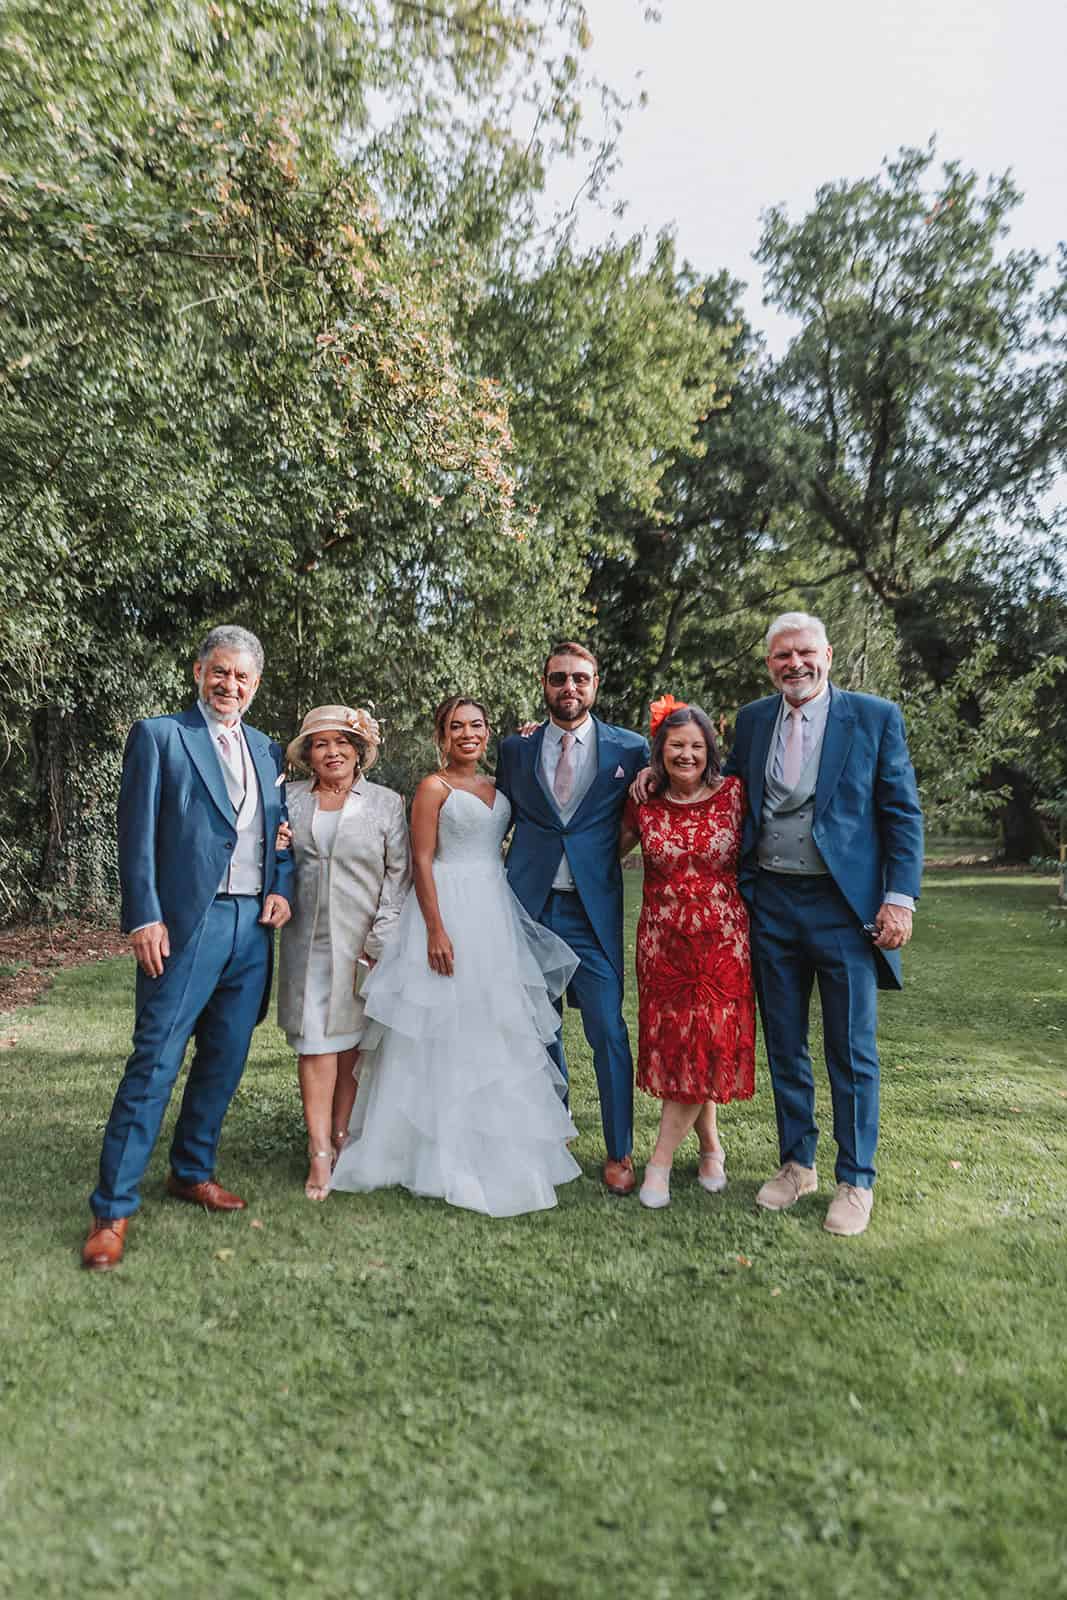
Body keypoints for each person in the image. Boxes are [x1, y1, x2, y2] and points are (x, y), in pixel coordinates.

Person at [82, 625, 293, 1270]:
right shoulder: (160, 736)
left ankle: (191, 1169)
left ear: (255, 686)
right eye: (220, 672)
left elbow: (274, 832)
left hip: (251, 931)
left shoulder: (266, 747)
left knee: (225, 1059)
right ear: (199, 671)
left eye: (243, 678)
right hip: (185, 925)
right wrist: (144, 916)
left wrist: (280, 887)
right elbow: (136, 832)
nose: (230, 685)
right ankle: (112, 1210)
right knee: (155, 1061)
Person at [330, 697, 581, 1217]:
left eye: (477, 726)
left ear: (488, 733)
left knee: (493, 1021)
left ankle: (496, 1137)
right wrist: (436, 930)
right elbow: (421, 860)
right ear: (441, 737)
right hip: (447, 906)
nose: (468, 734)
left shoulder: (496, 787)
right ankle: (429, 1148)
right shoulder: (432, 788)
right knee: (442, 1021)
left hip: (493, 909)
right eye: (456, 727)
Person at [726, 612, 923, 1235]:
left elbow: (902, 815)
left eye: (805, 653)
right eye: (782, 656)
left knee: (851, 1048)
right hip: (772, 906)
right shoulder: (755, 719)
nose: (795, 664)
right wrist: (654, 774)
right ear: (769, 664)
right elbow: (727, 790)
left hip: (843, 909)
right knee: (785, 1043)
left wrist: (899, 899)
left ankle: (856, 1179)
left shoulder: (874, 717)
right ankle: (796, 1164)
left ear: (828, 655)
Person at [495, 645, 651, 1195]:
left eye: (579, 679)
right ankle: (552, 1132)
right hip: (531, 906)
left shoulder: (631, 749)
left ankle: (620, 1150)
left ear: (595, 683)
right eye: (559, 678)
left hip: (592, 910)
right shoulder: (515, 748)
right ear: (544, 683)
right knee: (541, 1029)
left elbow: (655, 806)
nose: (569, 688)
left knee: (607, 1028)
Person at [620, 700, 755, 1209]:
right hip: (663, 943)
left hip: (722, 942)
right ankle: (711, 1146)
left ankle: (659, 1162)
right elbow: (608, 850)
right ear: (660, 750)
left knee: (709, 1043)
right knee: (682, 1046)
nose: (686, 754)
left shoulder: (735, 795)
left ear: (710, 752)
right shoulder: (644, 802)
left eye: (696, 746)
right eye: (676, 745)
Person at [276, 706, 410, 1201]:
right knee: (315, 1042)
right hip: (305, 941)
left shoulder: (384, 803)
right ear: (308, 754)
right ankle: (319, 1152)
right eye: (320, 743)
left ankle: (343, 1136)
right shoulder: (287, 800)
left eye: (342, 743)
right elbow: (271, 856)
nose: (332, 752)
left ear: (359, 752)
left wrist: (382, 938)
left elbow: (399, 876)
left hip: (363, 941)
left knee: (353, 1043)